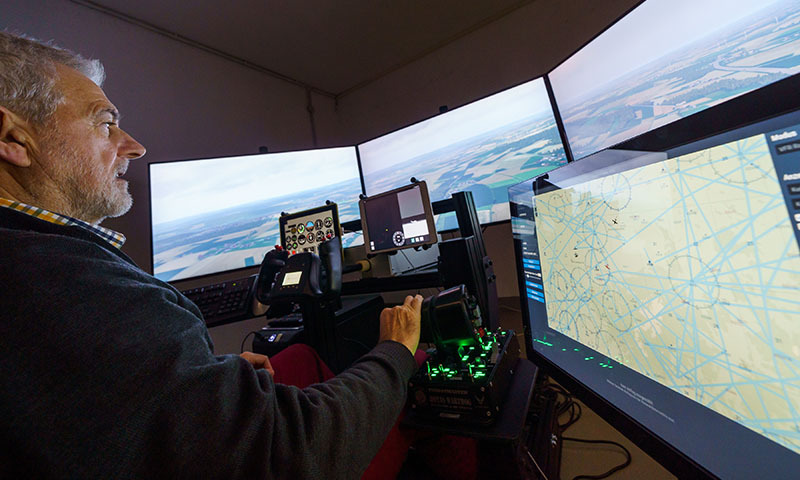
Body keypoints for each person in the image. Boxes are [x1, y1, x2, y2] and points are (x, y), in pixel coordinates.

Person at [0, 31, 425, 479]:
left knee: (300, 360)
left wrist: (200, 382)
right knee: (418, 366)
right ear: (12, 137)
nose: (134, 146)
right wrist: (395, 350)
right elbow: (290, 453)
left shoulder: (34, 269)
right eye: (104, 122)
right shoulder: (79, 289)